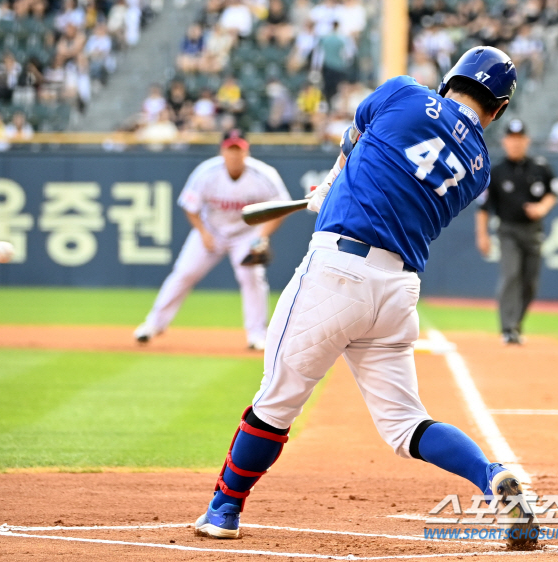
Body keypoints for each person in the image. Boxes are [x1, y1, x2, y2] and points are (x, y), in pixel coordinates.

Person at [194, 47, 539, 551]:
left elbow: (355, 138)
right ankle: (491, 478)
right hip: (397, 292)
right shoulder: (481, 166)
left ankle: (224, 508)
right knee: (406, 424)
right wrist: (337, 188)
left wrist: (332, 183)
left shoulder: (404, 92)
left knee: (275, 403)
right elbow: (395, 175)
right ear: (498, 109)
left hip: (337, 271)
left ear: (451, 79)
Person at [134, 129, 291, 350]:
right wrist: (203, 232)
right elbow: (191, 207)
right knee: (184, 273)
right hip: (211, 230)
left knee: (252, 278)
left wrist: (261, 236)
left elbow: (281, 208)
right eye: (230, 149)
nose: (234, 155)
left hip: (246, 234)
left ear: (247, 152)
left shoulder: (263, 175)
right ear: (222, 151)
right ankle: (153, 325)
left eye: (239, 150)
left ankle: (257, 335)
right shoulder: (207, 172)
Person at [476, 118, 558, 345]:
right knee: (511, 274)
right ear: (504, 142)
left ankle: (517, 323)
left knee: (530, 282)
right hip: (508, 230)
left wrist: (543, 207)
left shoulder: (540, 167)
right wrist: (482, 235)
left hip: (533, 232)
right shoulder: (497, 171)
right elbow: (483, 208)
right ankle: (508, 328)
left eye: (519, 139)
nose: (515, 143)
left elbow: (553, 192)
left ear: (527, 141)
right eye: (511, 139)